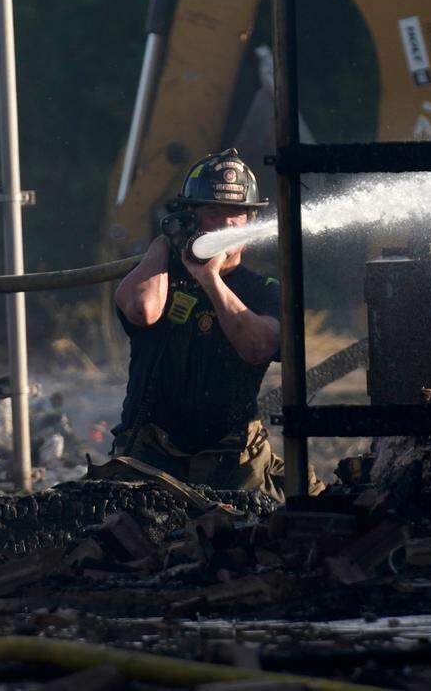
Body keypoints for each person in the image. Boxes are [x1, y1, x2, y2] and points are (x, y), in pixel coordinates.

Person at [110, 148, 324, 501]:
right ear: (191, 218)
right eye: (214, 212)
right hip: (151, 452)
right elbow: (141, 310)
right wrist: (163, 247)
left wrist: (211, 280)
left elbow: (258, 348)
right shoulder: (161, 275)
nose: (227, 224)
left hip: (232, 454)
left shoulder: (266, 291)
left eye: (238, 214)